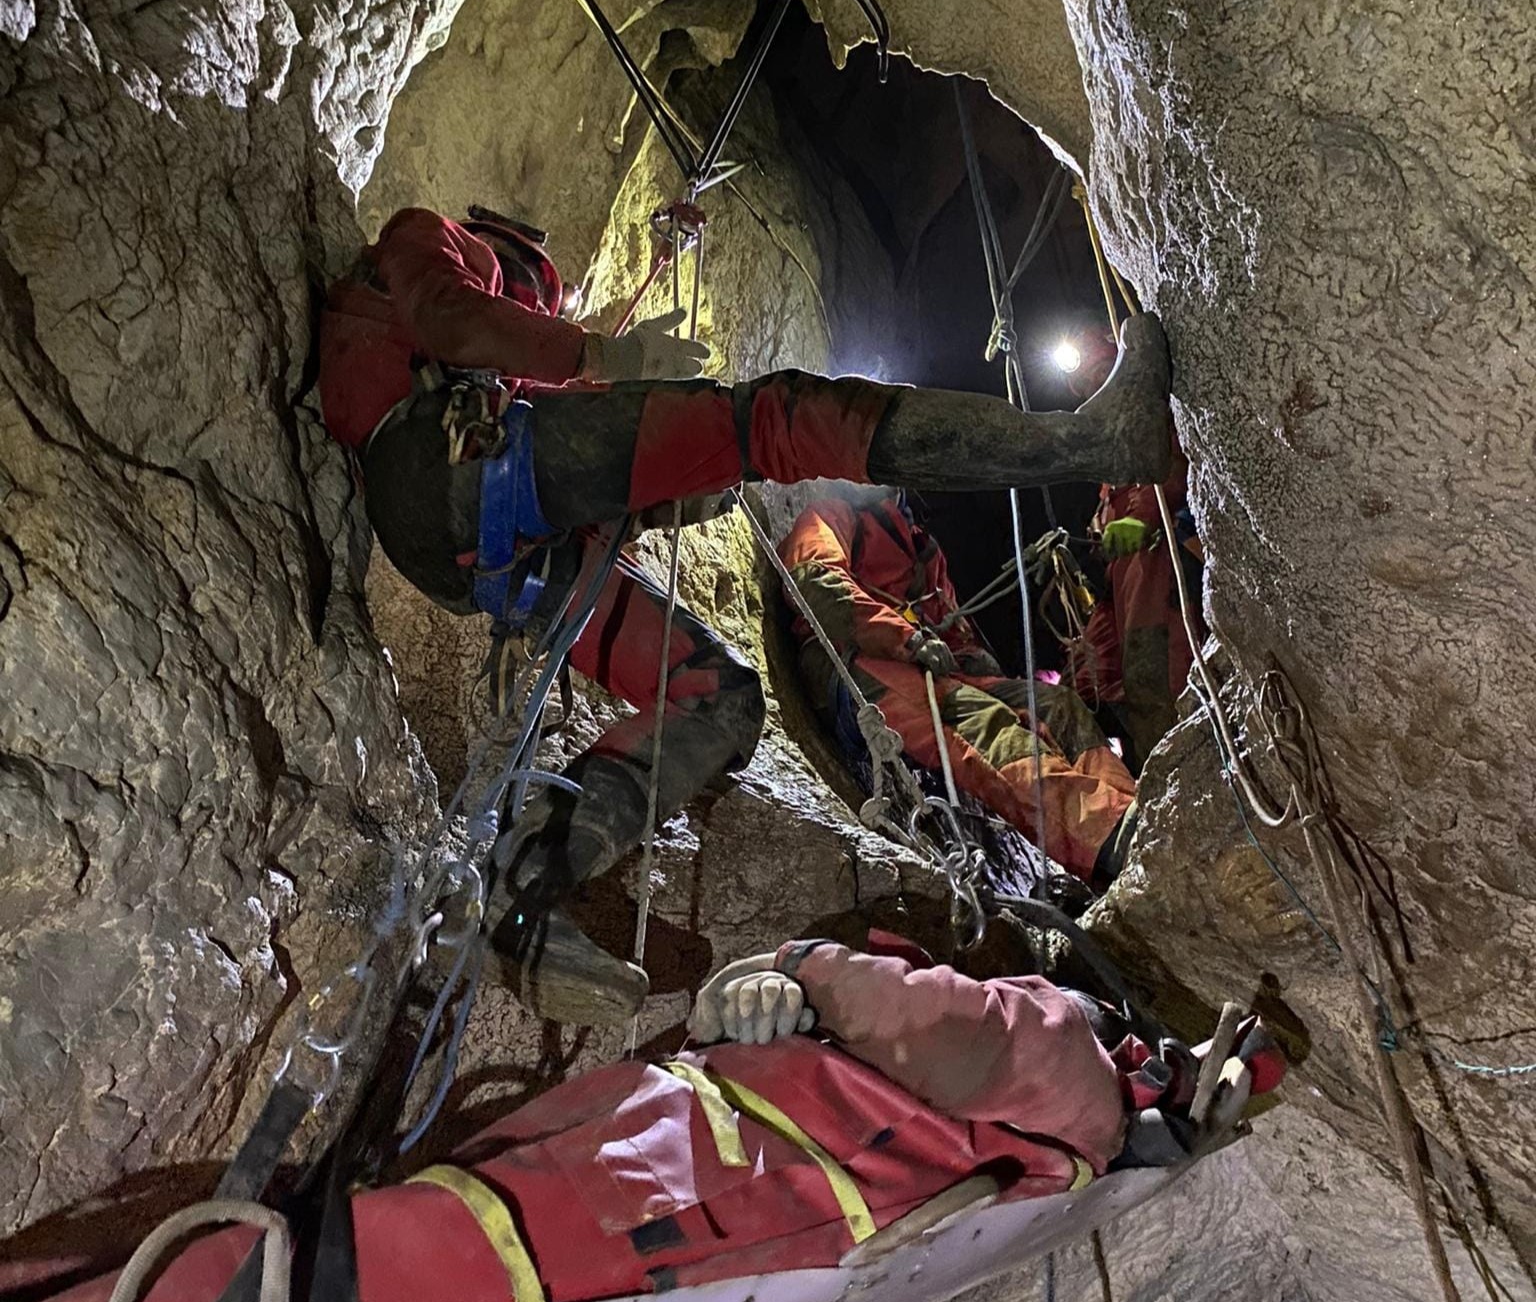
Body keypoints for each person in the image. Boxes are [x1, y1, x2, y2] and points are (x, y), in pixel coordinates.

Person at [319, 205, 1173, 1024]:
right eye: (537, 291)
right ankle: (1086, 443)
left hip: (494, 549)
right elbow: (450, 316)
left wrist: (653, 494)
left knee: (720, 697)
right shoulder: (431, 240)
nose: (543, 303)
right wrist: (597, 354)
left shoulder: (494, 376)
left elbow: (564, 461)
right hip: (445, 458)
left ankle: (520, 891)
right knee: (775, 419)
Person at [0, 934, 1285, 1302]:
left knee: (313, 1293)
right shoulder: (1074, 1174)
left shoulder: (1068, 1055)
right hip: (707, 1227)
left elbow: (936, 1019)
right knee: (324, 1293)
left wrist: (798, 969)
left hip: (674, 1186)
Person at [778, 487, 1138, 890]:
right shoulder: (833, 515)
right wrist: (905, 638)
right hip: (860, 668)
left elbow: (950, 628)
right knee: (983, 724)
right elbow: (815, 581)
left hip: (922, 667)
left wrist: (969, 656)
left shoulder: (923, 549)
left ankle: (1128, 812)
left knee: (1056, 704)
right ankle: (1106, 836)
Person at [1064, 333, 1205, 771]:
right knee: (1090, 682)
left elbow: (1173, 465)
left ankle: (1191, 769)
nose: (1095, 386)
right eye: (1088, 383)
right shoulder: (1112, 461)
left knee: (1160, 675)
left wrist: (1142, 518)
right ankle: (1143, 772)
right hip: (1122, 585)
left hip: (1161, 564)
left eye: (1100, 374)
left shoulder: (1155, 413)